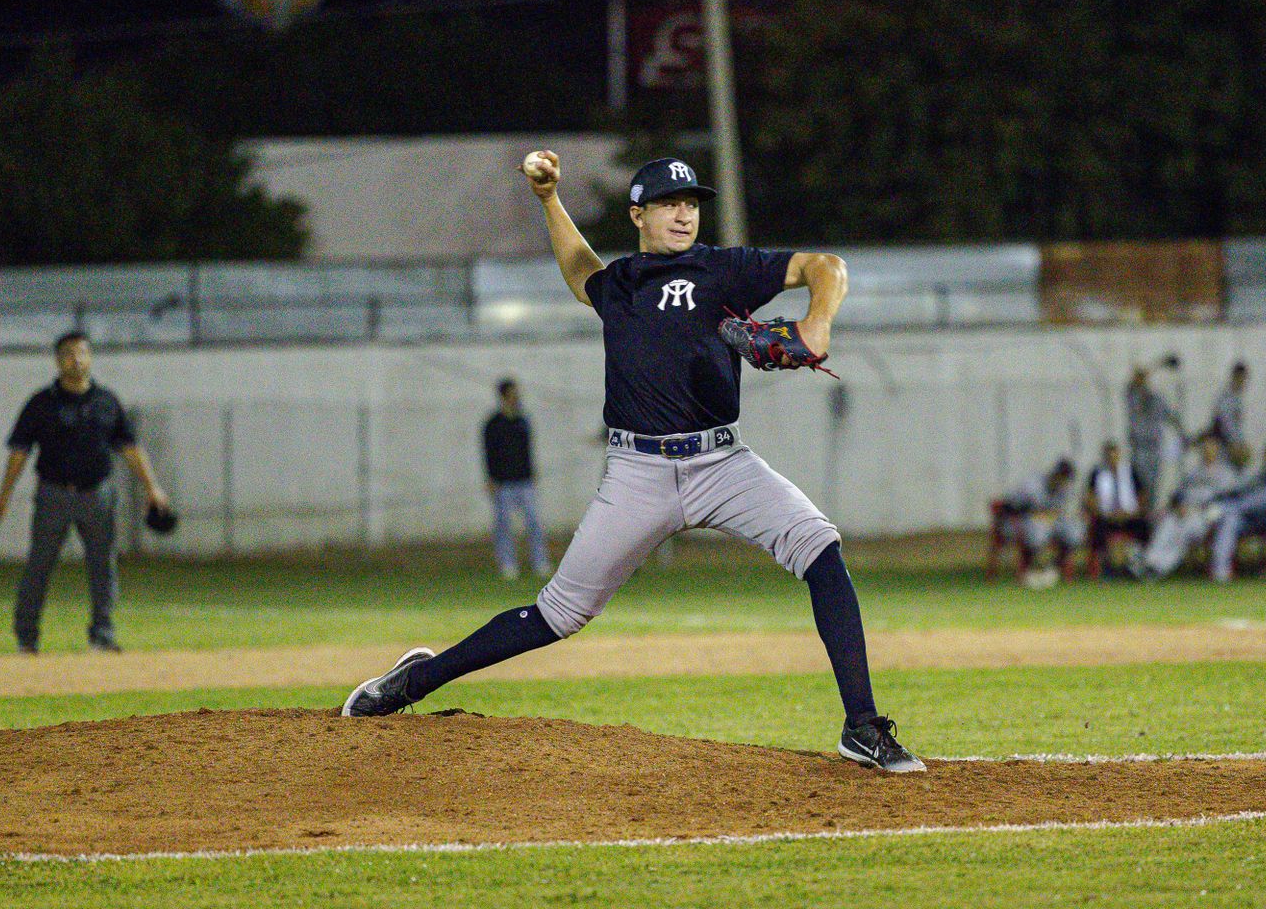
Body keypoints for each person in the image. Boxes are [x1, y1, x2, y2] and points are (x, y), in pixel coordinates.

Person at [341, 151, 923, 773]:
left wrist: (818, 322)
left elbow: (823, 266)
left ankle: (861, 727)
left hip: (723, 463)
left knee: (820, 548)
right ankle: (415, 682)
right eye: (670, 203)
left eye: (692, 204)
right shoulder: (619, 286)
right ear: (637, 214)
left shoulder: (724, 269)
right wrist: (548, 200)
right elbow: (578, 267)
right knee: (558, 615)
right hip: (637, 473)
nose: (683, 214)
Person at [0, 330, 169, 654]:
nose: (76, 359)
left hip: (97, 495)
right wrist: (4, 494)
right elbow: (19, 451)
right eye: (68, 354)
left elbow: (130, 448)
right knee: (39, 566)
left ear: (90, 357)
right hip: (53, 496)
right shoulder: (41, 403)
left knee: (103, 567)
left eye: (82, 352)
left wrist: (152, 487)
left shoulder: (106, 402)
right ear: (58, 361)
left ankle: (102, 636)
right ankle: (26, 639)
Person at [1133, 432, 1240, 581]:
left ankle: (1160, 568)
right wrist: (1179, 507)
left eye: (1211, 447)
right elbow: (1178, 494)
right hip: (1183, 511)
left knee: (1182, 533)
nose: (1208, 450)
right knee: (1167, 524)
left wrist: (1199, 511)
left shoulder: (1227, 474)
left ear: (1218, 449)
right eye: (1205, 447)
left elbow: (1226, 501)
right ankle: (1149, 562)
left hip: (1204, 515)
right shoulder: (1193, 471)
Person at [482, 379, 551, 579]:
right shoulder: (493, 423)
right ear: (504, 396)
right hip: (503, 482)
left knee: (534, 522)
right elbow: (488, 452)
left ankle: (540, 562)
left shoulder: (523, 420)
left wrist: (532, 472)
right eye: (512, 394)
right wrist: (491, 478)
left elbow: (528, 450)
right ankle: (508, 564)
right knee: (503, 525)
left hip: (524, 480)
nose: (516, 397)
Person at [1208, 440, 1266, 582]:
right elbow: (1240, 490)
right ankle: (1220, 575)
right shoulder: (1260, 476)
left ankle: (1218, 511)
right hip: (1249, 519)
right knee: (1230, 520)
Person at [998, 459, 1080, 589]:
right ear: (1055, 474)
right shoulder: (1033, 484)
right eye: (1061, 476)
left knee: (1074, 531)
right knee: (1038, 531)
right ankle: (1033, 570)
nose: (1063, 481)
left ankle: (1055, 568)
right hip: (1020, 521)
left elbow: (1059, 511)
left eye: (1066, 479)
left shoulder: (1066, 489)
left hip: (1048, 521)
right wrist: (1041, 515)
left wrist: (1049, 516)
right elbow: (1012, 507)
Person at [1082, 442, 1147, 575]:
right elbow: (1090, 497)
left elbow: (1141, 494)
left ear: (1119, 455)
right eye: (1109, 456)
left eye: (1115, 455)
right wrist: (1103, 512)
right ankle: (1105, 567)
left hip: (1129, 515)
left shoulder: (1130, 471)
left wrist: (1135, 511)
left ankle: (1142, 564)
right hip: (1106, 516)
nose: (1112, 459)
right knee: (1097, 531)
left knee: (1145, 527)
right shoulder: (1097, 473)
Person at [1124, 366, 1180, 504]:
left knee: (1153, 487)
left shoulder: (1157, 399)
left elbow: (1171, 417)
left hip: (1155, 447)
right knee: (1138, 485)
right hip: (1140, 447)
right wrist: (1158, 363)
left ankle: (1150, 514)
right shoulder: (1134, 397)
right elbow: (1130, 388)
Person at [1210, 362, 1249, 460]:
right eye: (1242, 379)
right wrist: (1234, 443)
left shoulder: (1238, 398)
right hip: (1226, 446)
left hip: (1234, 445)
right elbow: (1225, 423)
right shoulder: (1226, 398)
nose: (1243, 382)